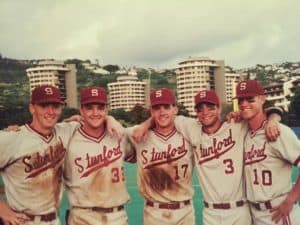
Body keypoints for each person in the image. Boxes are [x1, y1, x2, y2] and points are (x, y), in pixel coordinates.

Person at [134, 89, 282, 225]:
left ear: (219, 108)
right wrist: (144, 125)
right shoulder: (190, 127)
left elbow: (259, 112)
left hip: (239, 210)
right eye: (200, 109)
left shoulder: (236, 125)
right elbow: (162, 116)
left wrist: (274, 118)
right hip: (210, 212)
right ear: (196, 112)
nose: (205, 112)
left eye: (210, 107)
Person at [0, 85, 78, 225]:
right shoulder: (11, 138)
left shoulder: (65, 131)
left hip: (54, 220)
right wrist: (2, 210)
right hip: (23, 221)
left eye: (55, 106)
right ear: (32, 108)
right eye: (44, 106)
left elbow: (94, 121)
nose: (50, 111)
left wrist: (111, 121)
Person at [63, 87, 135, 225]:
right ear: (81, 110)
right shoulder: (67, 139)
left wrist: (111, 119)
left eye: (100, 108)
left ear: (106, 110)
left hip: (117, 216)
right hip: (82, 217)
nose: (95, 113)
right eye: (89, 108)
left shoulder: (119, 135)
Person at [126, 88, 196, 225]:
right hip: (154, 213)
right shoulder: (138, 135)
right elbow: (103, 130)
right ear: (151, 112)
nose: (162, 112)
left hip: (185, 212)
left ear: (175, 109)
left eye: (166, 107)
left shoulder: (188, 133)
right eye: (157, 108)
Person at [235, 79, 300, 225]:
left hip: (279, 212)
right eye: (240, 100)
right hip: (255, 215)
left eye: (250, 99)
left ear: (262, 99)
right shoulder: (243, 132)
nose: (244, 104)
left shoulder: (278, 132)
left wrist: (291, 199)